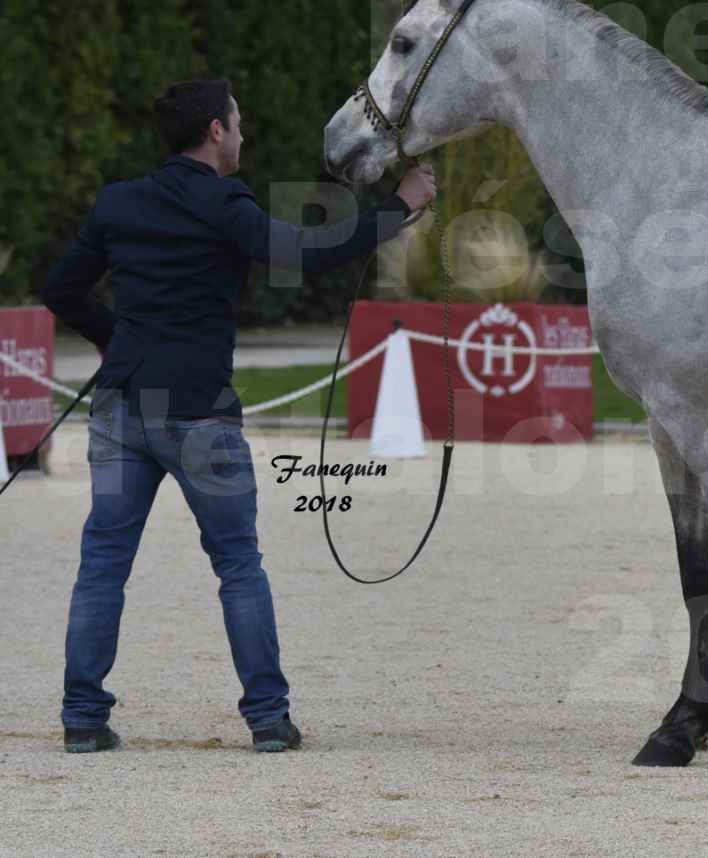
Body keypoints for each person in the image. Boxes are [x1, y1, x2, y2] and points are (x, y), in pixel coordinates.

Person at [38, 78, 436, 754]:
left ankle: (82, 719)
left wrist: (112, 338)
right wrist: (398, 208)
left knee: (102, 563)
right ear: (216, 133)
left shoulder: (119, 202)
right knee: (238, 564)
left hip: (123, 407)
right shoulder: (225, 203)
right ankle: (267, 720)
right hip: (199, 414)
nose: (243, 134)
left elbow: (59, 290)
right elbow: (306, 252)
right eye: (239, 123)